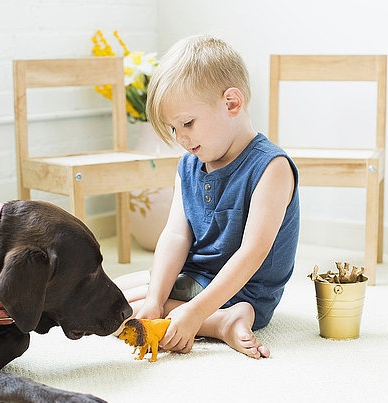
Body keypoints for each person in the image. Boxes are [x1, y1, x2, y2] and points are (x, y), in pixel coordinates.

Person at [114, 35, 299, 359]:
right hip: (195, 277)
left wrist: (196, 313)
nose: (181, 138)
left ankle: (222, 320)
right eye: (173, 129)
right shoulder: (189, 164)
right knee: (111, 301)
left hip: (244, 290)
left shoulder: (271, 167)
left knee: (117, 310)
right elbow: (175, 235)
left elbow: (252, 254)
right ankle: (218, 321)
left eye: (187, 123)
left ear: (231, 103)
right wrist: (156, 299)